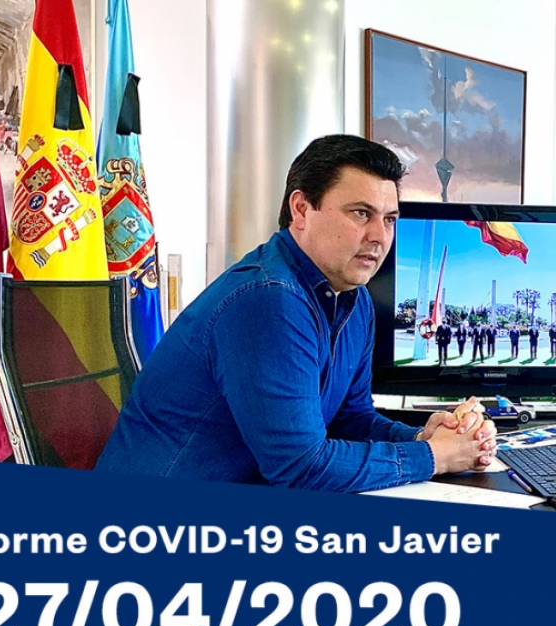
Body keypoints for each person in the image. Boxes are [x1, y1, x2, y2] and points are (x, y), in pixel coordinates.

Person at [98, 135, 497, 491]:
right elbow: (301, 467)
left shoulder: (354, 299)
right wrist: (436, 457)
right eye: (361, 213)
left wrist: (421, 438)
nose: (379, 236)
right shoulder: (268, 299)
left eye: (389, 219)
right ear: (301, 209)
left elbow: (348, 419)